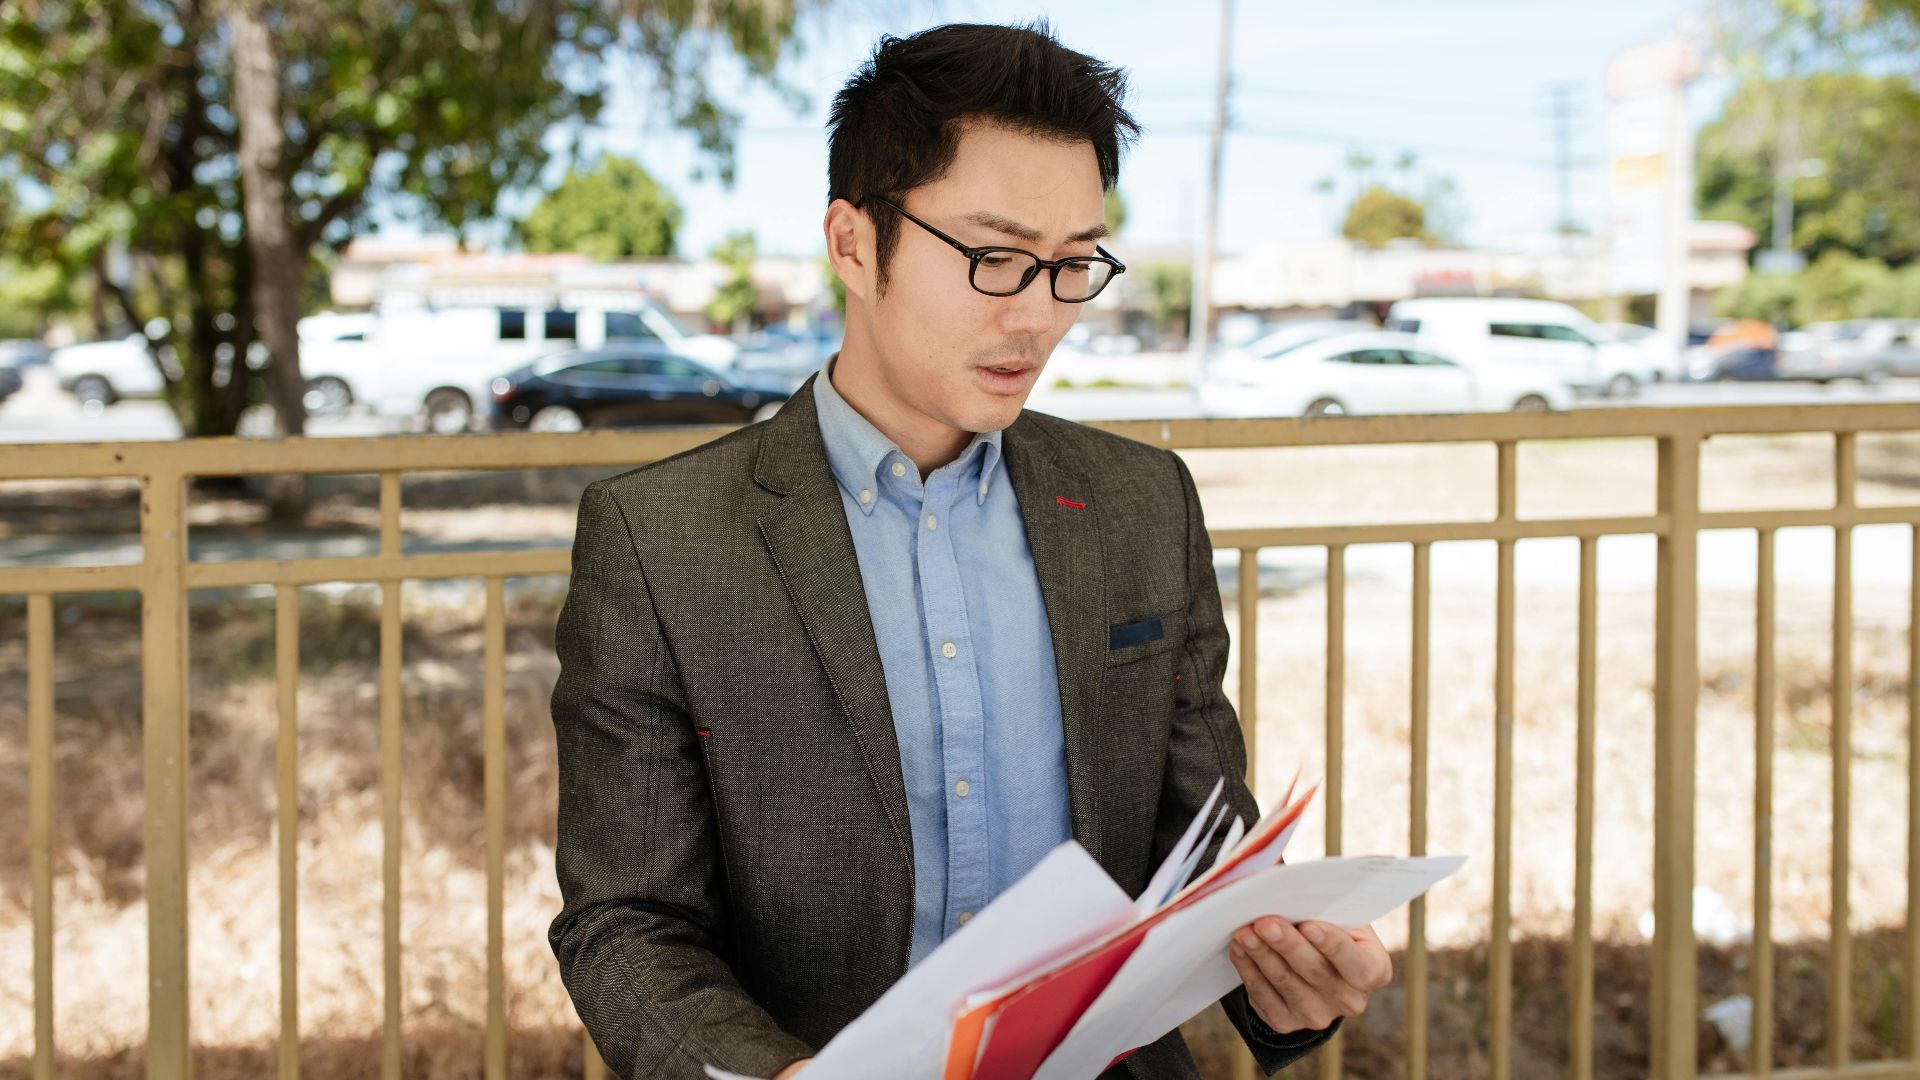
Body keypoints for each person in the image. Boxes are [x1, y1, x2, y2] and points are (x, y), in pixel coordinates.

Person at [548, 22, 1391, 1080]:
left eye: (1073, 264)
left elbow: (1204, 862)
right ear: (854, 244)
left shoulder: (1140, 504)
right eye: (994, 259)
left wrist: (1289, 977)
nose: (1037, 316)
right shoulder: (662, 539)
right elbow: (625, 918)